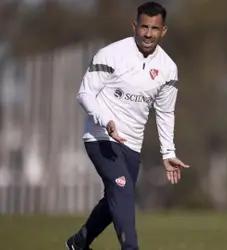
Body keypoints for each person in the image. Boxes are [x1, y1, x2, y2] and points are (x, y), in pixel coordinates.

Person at [66, 2, 190, 249]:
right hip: (100, 137)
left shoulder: (168, 69)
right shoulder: (111, 54)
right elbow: (85, 93)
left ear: (163, 31)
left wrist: (168, 153)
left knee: (116, 198)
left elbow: (165, 112)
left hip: (132, 145)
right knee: (123, 191)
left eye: (154, 29)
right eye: (143, 26)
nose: (148, 33)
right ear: (134, 26)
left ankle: (79, 242)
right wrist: (105, 120)